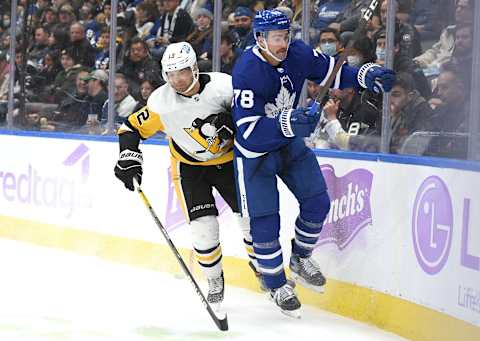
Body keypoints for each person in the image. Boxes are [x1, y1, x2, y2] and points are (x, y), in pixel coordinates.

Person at [231, 9, 395, 317]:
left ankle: (300, 257)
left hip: (288, 143)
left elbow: (333, 70)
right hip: (256, 155)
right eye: (278, 38)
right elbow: (249, 131)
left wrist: (364, 74)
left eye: (286, 36)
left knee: (318, 202)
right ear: (260, 38)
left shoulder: (297, 52)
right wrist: (290, 121)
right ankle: (277, 283)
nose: (284, 43)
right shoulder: (247, 70)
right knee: (265, 221)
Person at [113, 42, 261, 307]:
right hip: (190, 169)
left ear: (194, 67)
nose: (176, 80)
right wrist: (129, 155)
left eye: (181, 72)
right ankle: (215, 280)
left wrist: (233, 120)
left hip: (229, 163)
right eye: (169, 73)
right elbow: (130, 128)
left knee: (251, 220)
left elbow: (253, 114)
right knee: (204, 229)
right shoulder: (161, 102)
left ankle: (263, 268)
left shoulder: (223, 87)